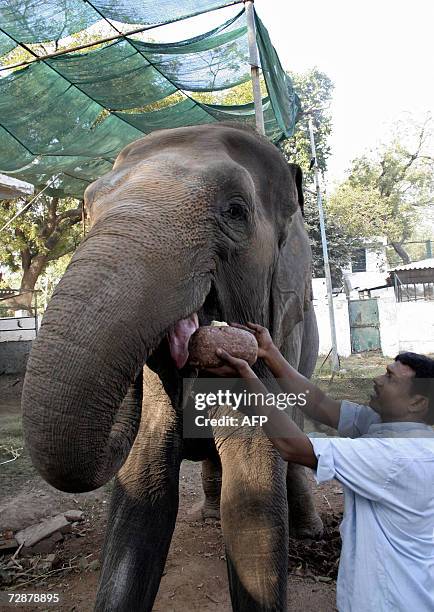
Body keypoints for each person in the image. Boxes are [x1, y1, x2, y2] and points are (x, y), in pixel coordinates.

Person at [207, 322, 434, 612]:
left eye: (390, 378)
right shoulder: (391, 428)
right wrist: (270, 353)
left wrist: (247, 379)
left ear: (417, 403)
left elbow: (293, 447)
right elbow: (320, 404)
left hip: (392, 602)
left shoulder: (397, 457)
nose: (377, 379)